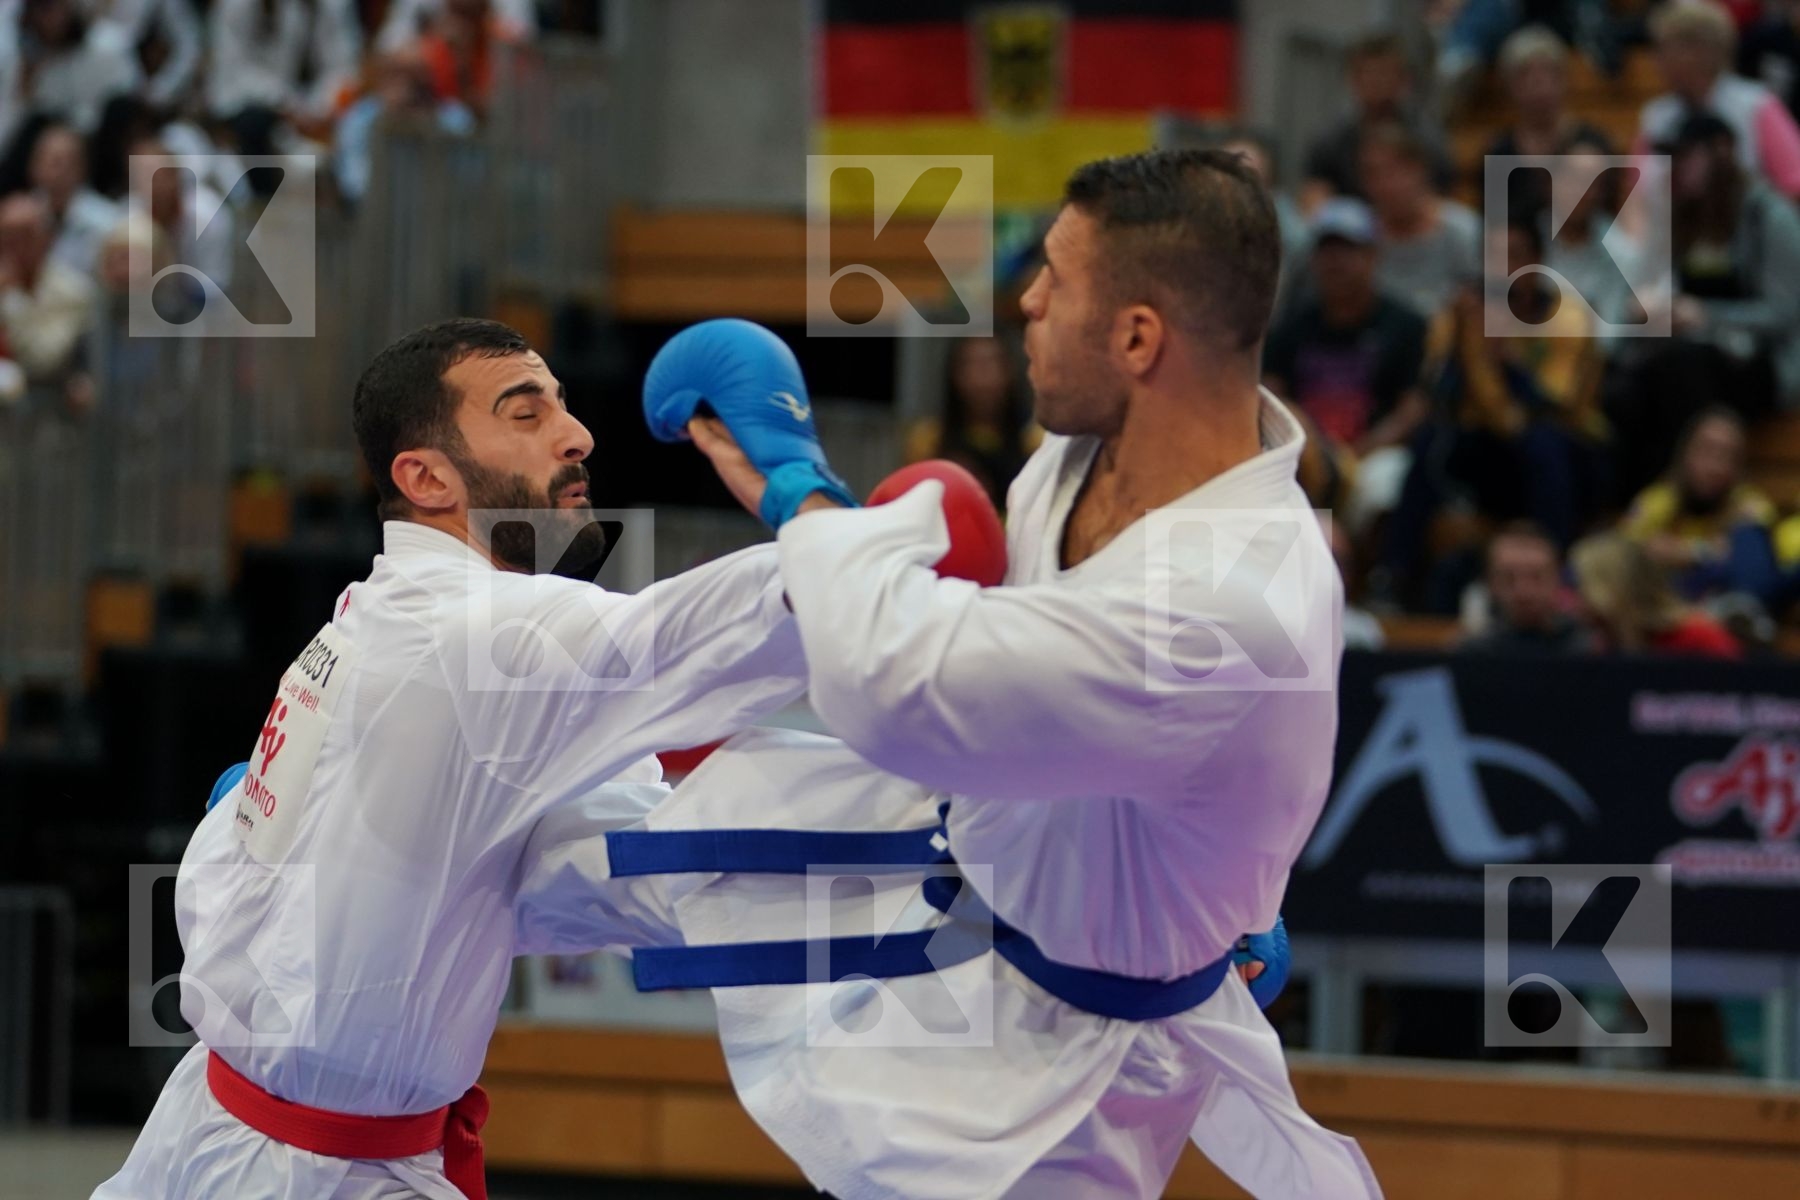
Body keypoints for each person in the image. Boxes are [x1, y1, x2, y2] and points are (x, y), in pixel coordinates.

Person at [636, 149, 1379, 1199]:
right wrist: (1214, 886)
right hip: (981, 928)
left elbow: (905, 694)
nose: (1024, 300)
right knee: (607, 850)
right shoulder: (1077, 459)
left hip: (1079, 1082)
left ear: (1136, 337)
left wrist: (798, 492)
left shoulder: (1227, 594)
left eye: (1056, 278)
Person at [92, 318, 821, 1199]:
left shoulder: (373, 611)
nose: (578, 434)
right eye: (525, 413)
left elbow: (602, 860)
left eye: (563, 405)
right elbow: (705, 636)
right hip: (314, 1172)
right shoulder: (478, 633)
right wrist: (807, 497)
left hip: (214, 1131)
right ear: (426, 476)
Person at [1608, 111, 1800, 496]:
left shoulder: (1770, 216)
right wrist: (1650, 312)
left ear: (1723, 151)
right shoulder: (1681, 218)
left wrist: (1704, 314)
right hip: (1694, 355)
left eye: (1687, 156)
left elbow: (1786, 312)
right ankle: (1635, 505)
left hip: (1760, 362)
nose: (1677, 169)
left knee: (1681, 372)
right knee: (1625, 384)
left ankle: (1676, 500)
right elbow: (1650, 289)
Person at [1262, 196, 1428, 532]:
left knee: (1386, 483)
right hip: (1306, 453)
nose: (1335, 262)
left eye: (1347, 250)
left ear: (1372, 255)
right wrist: (1315, 452)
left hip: (1375, 453)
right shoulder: (1290, 326)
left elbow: (1413, 410)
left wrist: (1356, 454)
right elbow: (1272, 398)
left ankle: (1381, 577)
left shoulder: (1407, 326)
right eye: (1326, 251)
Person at [1638, 0, 1800, 200]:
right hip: (1674, 229)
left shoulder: (1756, 105)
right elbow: (1638, 198)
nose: (1656, 60)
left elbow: (1795, 186)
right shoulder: (1656, 116)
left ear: (1699, 51)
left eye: (1664, 48)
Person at [1621, 405, 1782, 602]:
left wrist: (1683, 552)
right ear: (1685, 452)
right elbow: (1626, 551)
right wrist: (1709, 551)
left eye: (1728, 455)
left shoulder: (1750, 506)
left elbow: (1757, 568)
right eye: (1707, 450)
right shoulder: (1659, 499)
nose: (1715, 467)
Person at [1483, 25, 1618, 230]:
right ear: (1509, 85)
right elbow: (1493, 224)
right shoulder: (1499, 153)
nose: (1538, 84)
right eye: (1525, 75)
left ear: (1564, 80)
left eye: (1548, 73)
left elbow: (1611, 214)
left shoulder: (1593, 143)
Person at [1301, 30, 1453, 209]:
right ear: (1352, 79)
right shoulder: (1330, 141)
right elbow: (1314, 200)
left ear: (1404, 80)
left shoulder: (1427, 139)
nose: (1375, 82)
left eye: (1383, 73)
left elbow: (1442, 200)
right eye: (1367, 73)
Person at [1359, 121, 1483, 320]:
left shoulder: (1463, 231)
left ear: (1419, 169)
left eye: (1393, 171)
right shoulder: (1359, 236)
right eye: (1373, 174)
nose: (1384, 185)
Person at [902, 335, 1039, 511]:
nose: (983, 376)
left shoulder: (1034, 441)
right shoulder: (927, 441)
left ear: (1009, 371)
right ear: (954, 374)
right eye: (971, 365)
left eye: (991, 363)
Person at [1571, 531, 1743, 657]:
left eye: (1582, 586)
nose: (1576, 598)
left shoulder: (1698, 638)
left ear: (1612, 589)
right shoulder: (1596, 644)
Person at [1459, 522, 1594, 653]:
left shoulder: (1587, 650)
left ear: (1557, 579)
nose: (1524, 592)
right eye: (1509, 579)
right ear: (1490, 583)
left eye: (1536, 577)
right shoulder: (1472, 654)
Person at [28, 121, 121, 276]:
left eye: (58, 161)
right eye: (42, 157)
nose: (48, 167)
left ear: (81, 167)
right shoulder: (21, 215)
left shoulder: (108, 221)